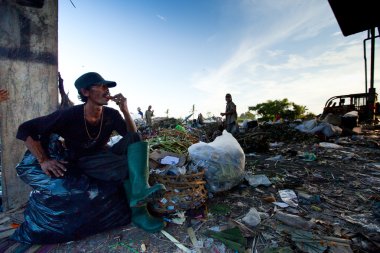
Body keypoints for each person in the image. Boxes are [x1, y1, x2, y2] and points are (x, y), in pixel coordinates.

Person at [15, 72, 166, 237]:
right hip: (83, 160)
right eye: (101, 86)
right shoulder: (69, 115)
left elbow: (131, 135)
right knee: (127, 167)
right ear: (85, 92)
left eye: (107, 87)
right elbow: (25, 129)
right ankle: (140, 214)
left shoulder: (111, 114)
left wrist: (125, 110)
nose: (106, 90)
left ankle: (140, 190)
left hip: (104, 154)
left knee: (136, 138)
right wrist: (43, 160)